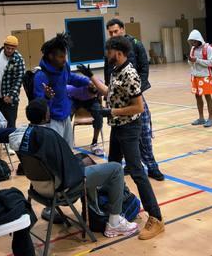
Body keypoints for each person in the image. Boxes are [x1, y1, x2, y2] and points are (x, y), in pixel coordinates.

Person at [11, 98, 139, 238]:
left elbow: (59, 163)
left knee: (83, 158)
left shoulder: (23, 136)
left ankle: (97, 205)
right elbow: (69, 169)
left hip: (37, 188)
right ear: (46, 116)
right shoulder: (50, 136)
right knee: (116, 169)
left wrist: (80, 161)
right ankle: (114, 223)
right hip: (61, 189)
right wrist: (81, 165)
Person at [77, 36, 165, 240]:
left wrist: (111, 113)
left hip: (128, 128)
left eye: (108, 51)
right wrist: (91, 76)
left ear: (117, 51)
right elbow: (110, 92)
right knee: (113, 168)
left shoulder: (130, 74)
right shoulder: (117, 71)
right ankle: (117, 212)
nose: (106, 54)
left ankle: (156, 218)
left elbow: (139, 107)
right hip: (117, 128)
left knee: (136, 171)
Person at [104, 19, 164, 181]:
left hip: (134, 95)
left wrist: (137, 92)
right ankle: (129, 165)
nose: (113, 34)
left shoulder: (136, 44)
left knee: (143, 133)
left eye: (116, 31)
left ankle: (152, 166)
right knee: (120, 136)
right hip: (117, 99)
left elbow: (144, 68)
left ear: (123, 29)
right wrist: (107, 96)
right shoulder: (109, 49)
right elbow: (107, 73)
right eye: (110, 32)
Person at [33, 33, 90, 149]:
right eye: (61, 57)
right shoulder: (41, 76)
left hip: (65, 115)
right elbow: (38, 105)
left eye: (65, 56)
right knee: (56, 152)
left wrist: (88, 81)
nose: (64, 60)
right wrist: (47, 98)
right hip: (52, 120)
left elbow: (70, 78)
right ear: (50, 56)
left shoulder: (64, 67)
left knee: (68, 149)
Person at [188, 30, 212, 128]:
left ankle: (210, 119)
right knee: (197, 96)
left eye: (194, 41)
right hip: (195, 76)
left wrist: (197, 60)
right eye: (191, 41)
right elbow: (191, 63)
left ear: (199, 39)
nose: (193, 43)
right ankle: (201, 118)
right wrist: (190, 61)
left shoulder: (208, 48)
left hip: (205, 76)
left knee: (207, 96)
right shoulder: (193, 49)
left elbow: (211, 63)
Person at [68, 83, 104, 155]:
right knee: (67, 115)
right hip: (76, 99)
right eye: (91, 94)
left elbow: (100, 97)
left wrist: (100, 107)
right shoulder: (74, 89)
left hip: (92, 101)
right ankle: (67, 143)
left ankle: (94, 142)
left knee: (99, 115)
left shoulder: (99, 85)